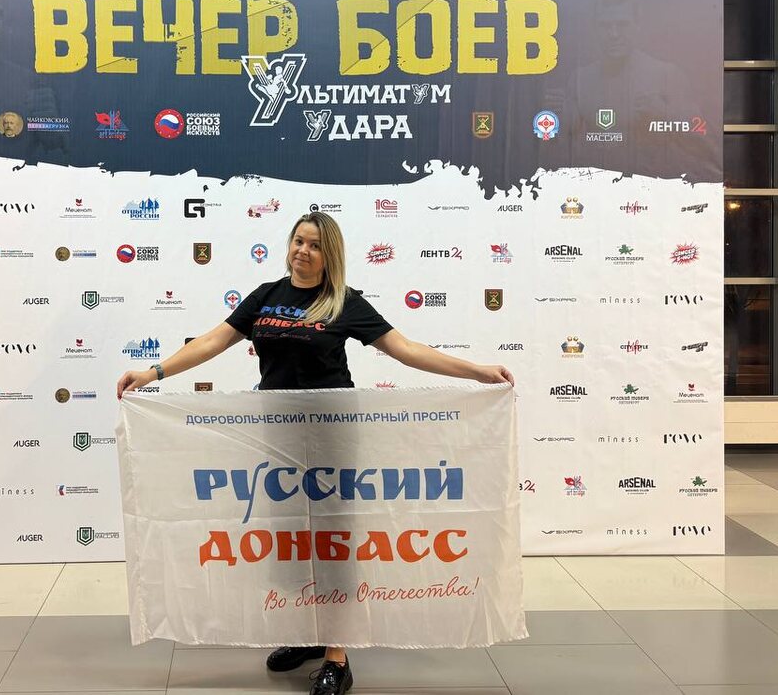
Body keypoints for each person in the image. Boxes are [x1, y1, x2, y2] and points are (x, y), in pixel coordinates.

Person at [117, 211, 515, 695]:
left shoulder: (343, 301)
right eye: (298, 241)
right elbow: (212, 341)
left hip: (331, 437)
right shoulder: (266, 296)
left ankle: (337, 654)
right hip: (276, 437)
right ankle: (308, 630)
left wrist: (477, 372)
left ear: (330, 255)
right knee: (290, 539)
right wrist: (153, 372)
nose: (303, 251)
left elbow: (406, 349)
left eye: (314, 245)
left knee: (331, 542)